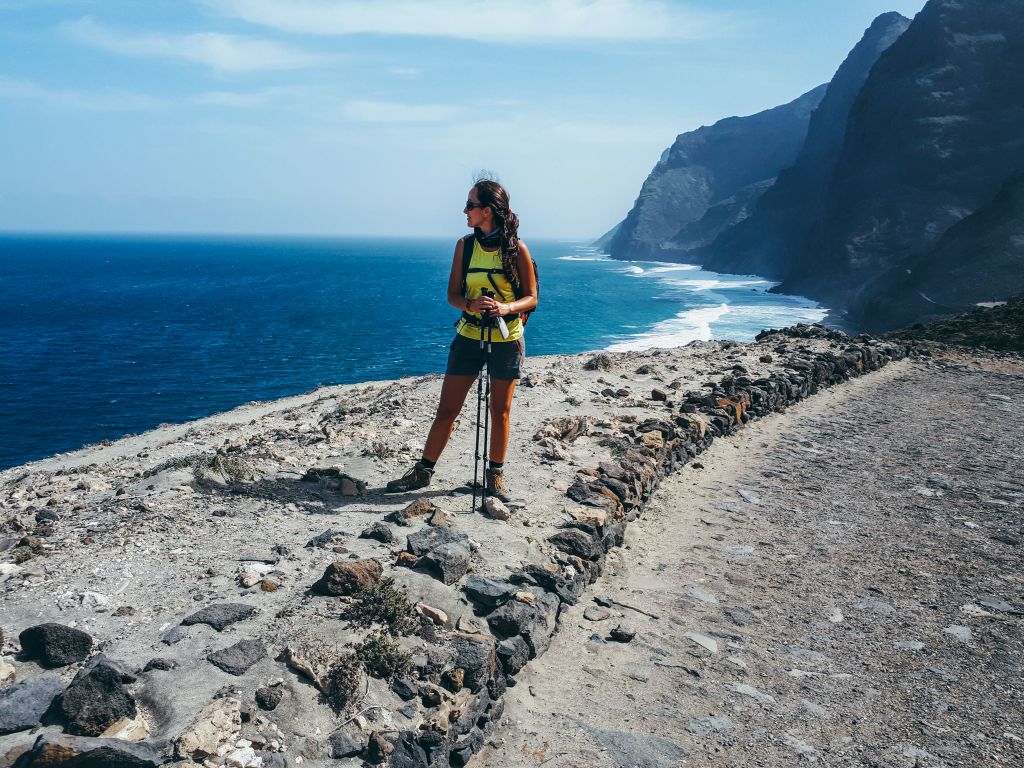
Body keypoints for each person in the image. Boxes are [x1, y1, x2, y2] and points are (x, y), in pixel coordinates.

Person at [385, 179, 538, 500]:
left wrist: (505, 307)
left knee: (501, 411)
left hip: (506, 338)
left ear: (487, 211)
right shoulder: (464, 246)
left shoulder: (517, 249)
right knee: (447, 409)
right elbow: (452, 294)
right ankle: (423, 471)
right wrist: (470, 304)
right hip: (468, 334)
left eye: (470, 205)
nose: (464, 211)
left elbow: (532, 298)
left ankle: (495, 476)